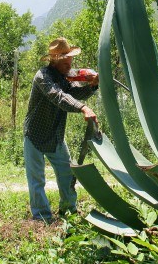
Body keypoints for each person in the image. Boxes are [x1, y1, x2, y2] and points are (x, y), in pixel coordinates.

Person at [23, 37, 99, 222]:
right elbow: (59, 97)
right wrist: (82, 108)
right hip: (35, 135)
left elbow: (76, 93)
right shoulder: (43, 77)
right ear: (54, 60)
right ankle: (41, 218)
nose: (69, 62)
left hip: (56, 135)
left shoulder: (66, 76)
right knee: (37, 180)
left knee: (66, 173)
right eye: (65, 60)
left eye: (70, 58)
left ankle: (69, 211)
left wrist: (93, 84)